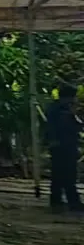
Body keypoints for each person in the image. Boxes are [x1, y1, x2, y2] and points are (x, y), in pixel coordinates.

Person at [46, 80, 82, 211]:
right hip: (61, 145)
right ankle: (70, 201)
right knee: (65, 174)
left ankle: (59, 200)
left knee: (62, 173)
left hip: (67, 145)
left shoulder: (64, 109)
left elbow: (78, 126)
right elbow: (53, 128)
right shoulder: (58, 110)